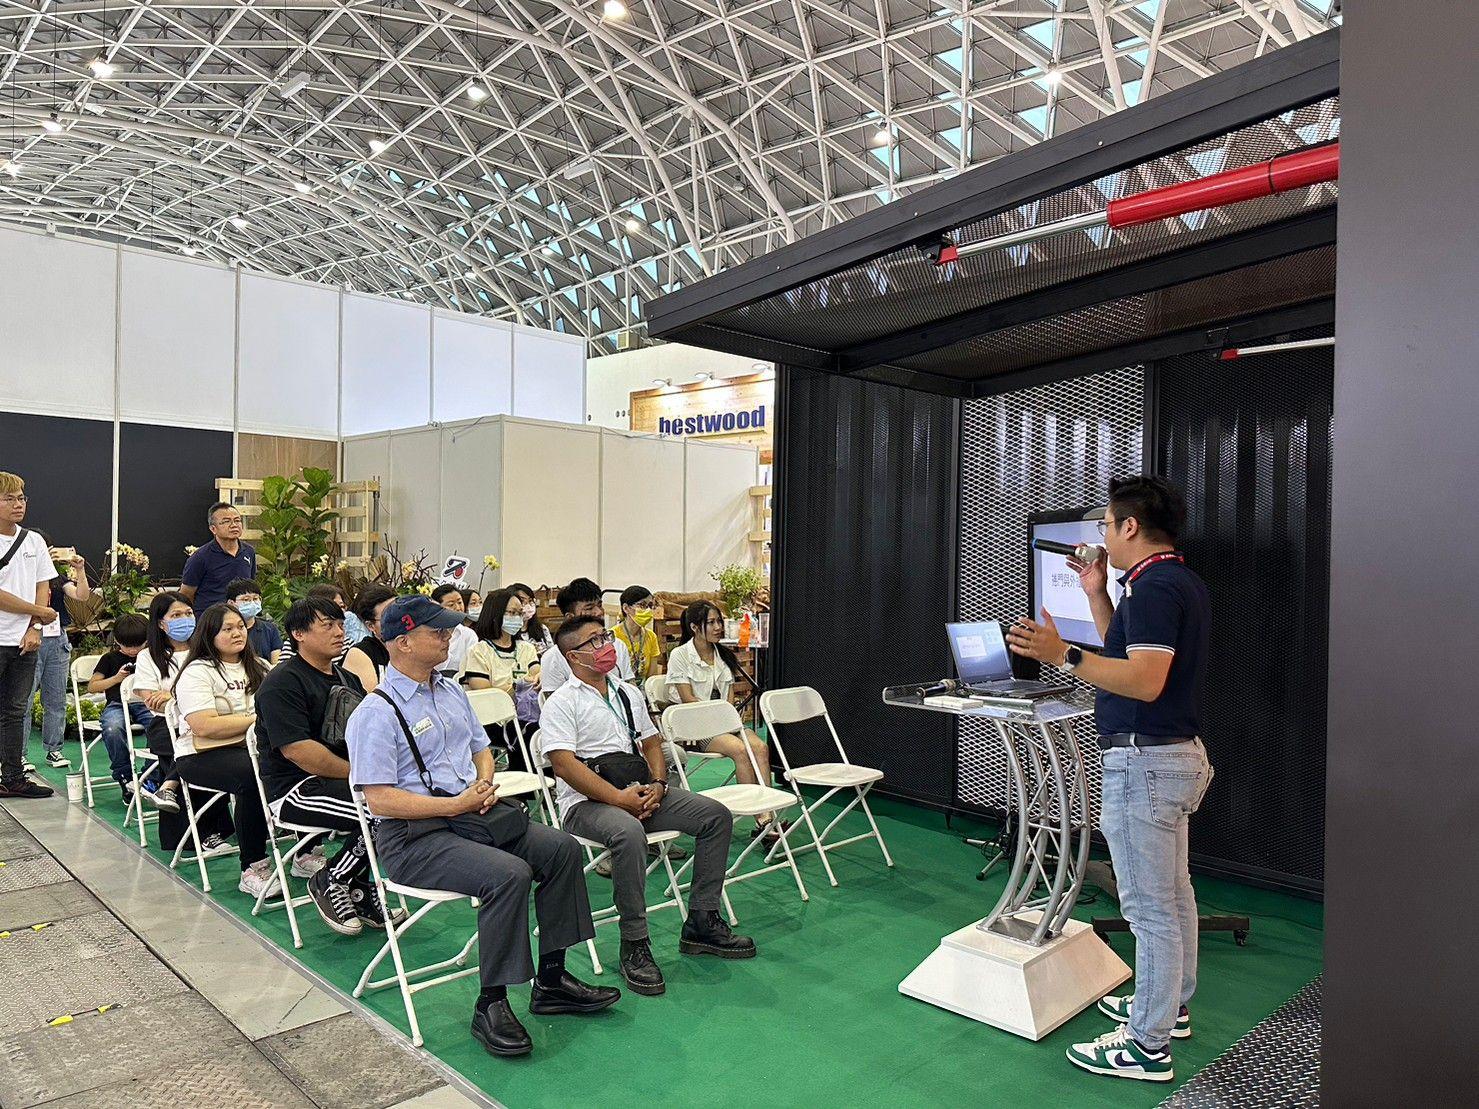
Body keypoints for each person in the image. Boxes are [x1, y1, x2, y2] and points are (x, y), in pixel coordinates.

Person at [347, 595, 619, 1058]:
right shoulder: (375, 712)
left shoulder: (450, 691)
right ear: (403, 642)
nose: (449, 637)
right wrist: (455, 803)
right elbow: (380, 799)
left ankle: (551, 979)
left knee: (562, 850)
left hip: (473, 815)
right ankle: (491, 1002)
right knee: (507, 874)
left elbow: (481, 748)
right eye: (438, 631)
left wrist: (484, 783)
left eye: (448, 629)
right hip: (413, 837)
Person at [1006, 475, 1212, 1085]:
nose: (1101, 537)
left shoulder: (1154, 589)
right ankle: (1169, 1008)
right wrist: (1097, 592)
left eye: (1105, 526)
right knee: (1173, 897)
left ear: (1129, 527)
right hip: (1172, 758)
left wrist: (1061, 655)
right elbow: (1126, 654)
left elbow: (1143, 681)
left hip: (1145, 765)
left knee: (1150, 910)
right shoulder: (1172, 582)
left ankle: (1147, 1046)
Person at [543, 614, 753, 996]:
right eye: (595, 641)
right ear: (573, 656)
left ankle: (702, 921)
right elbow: (564, 765)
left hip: (638, 789)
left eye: (605, 637)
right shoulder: (562, 702)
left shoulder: (627, 692)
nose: (606, 645)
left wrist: (658, 783)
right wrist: (617, 799)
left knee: (715, 816)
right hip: (586, 804)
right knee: (628, 833)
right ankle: (634, 943)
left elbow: (652, 742)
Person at [256, 595, 397, 936]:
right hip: (295, 789)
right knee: (382, 813)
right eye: (328, 625)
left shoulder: (347, 678)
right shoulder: (282, 682)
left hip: (343, 781)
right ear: (298, 634)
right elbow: (299, 752)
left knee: (399, 804)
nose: (339, 632)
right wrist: (360, 776)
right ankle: (331, 879)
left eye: (340, 624)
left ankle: (356, 888)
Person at [171, 603, 276, 898]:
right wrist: (257, 720)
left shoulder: (260, 666)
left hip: (251, 747)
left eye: (240, 627)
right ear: (210, 634)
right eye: (227, 629)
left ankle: (306, 853)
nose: (237, 633)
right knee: (254, 776)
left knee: (297, 761)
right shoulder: (198, 671)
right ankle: (253, 867)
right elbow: (204, 726)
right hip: (200, 755)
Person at [667, 600, 780, 839]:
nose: (718, 627)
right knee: (740, 750)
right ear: (694, 627)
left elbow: (729, 697)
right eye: (711, 622)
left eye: (719, 621)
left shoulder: (724, 655)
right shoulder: (680, 655)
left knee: (760, 747)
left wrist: (726, 716)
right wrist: (719, 715)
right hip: (695, 728)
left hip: (725, 723)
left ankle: (768, 814)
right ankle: (762, 820)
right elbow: (688, 699)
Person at [0, 472, 57, 798]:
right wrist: (38, 613)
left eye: (21, 498)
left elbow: (42, 586)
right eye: (9, 498)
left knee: (15, 711)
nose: (18, 504)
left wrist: (35, 626)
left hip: (25, 641)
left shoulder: (33, 540)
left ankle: (13, 778)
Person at [31, 538, 91, 769]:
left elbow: (82, 595)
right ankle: (18, 754)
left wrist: (80, 570)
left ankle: (54, 750)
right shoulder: (21, 575)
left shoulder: (57, 577)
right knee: (23, 699)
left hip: (57, 638)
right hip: (29, 636)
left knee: (56, 699)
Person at [88, 614, 156, 802]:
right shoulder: (109, 658)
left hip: (145, 702)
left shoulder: (151, 656)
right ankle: (125, 775)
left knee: (160, 726)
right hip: (117, 703)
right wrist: (117, 678)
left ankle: (150, 774)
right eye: (128, 646)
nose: (133, 650)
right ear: (117, 641)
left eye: (139, 645)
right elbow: (92, 686)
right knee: (112, 728)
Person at [537, 579, 633, 692]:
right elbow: (553, 700)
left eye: (600, 605)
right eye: (589, 608)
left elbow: (629, 685)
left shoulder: (618, 645)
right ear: (570, 617)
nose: (599, 612)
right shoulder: (553, 658)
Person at [180, 503, 257, 613]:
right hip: (211, 618)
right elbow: (186, 595)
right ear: (213, 529)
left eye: (237, 520)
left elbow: (250, 585)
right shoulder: (200, 557)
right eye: (226, 522)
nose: (234, 525)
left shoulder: (249, 551)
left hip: (240, 616)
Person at [342, 585, 396, 694]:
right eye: (387, 617)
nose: (397, 619)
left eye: (399, 612)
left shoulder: (414, 642)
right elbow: (371, 699)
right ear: (371, 626)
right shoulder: (361, 653)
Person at [613, 586, 664, 684]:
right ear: (626, 608)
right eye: (642, 605)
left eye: (650, 605)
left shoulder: (651, 636)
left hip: (643, 689)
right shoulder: (613, 636)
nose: (648, 610)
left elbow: (652, 678)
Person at [225, 578, 283, 666]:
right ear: (231, 603)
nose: (252, 603)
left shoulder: (270, 629)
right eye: (246, 600)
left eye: (255, 598)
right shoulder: (223, 629)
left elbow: (276, 663)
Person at [431, 584, 478, 677]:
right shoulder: (428, 634)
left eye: (460, 602)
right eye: (451, 605)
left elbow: (472, 667)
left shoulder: (468, 635)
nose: (458, 608)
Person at [508, 583, 553, 656]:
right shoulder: (507, 631)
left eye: (530, 601)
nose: (528, 605)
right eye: (522, 601)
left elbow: (551, 655)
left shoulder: (542, 629)